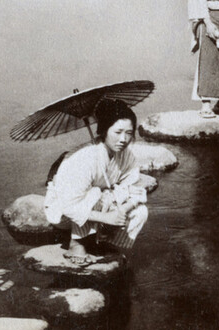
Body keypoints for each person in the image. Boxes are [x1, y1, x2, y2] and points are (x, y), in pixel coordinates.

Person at [43, 98, 151, 263]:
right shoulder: (85, 157)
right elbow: (68, 206)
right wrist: (107, 218)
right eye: (117, 132)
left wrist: (121, 210)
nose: (123, 139)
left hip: (100, 205)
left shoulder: (125, 154)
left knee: (140, 211)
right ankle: (76, 244)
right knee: (95, 193)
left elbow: (135, 187)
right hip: (64, 210)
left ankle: (102, 241)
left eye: (129, 133)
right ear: (104, 130)